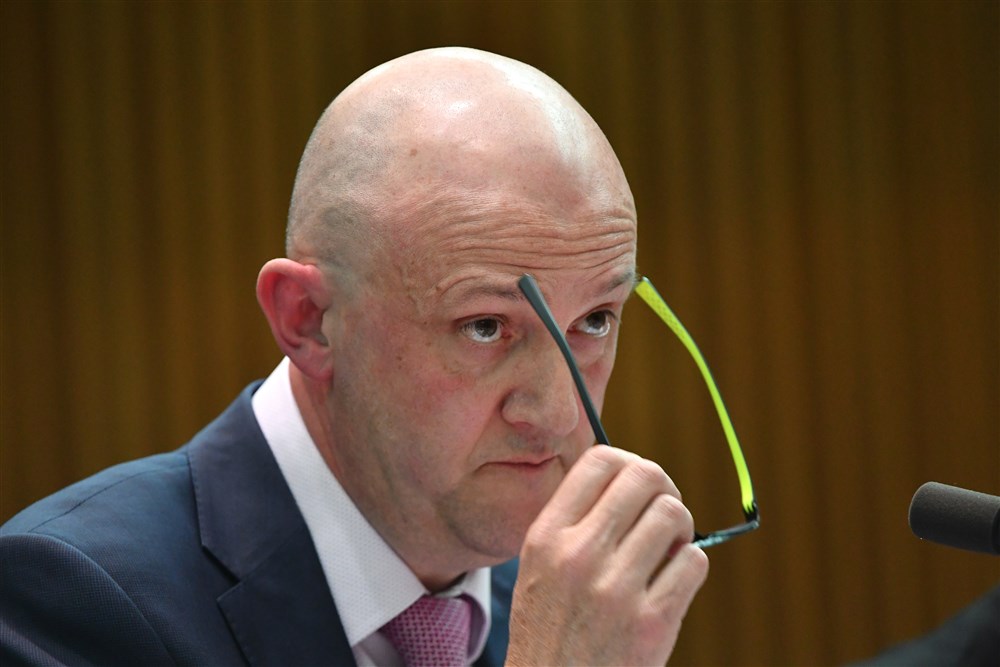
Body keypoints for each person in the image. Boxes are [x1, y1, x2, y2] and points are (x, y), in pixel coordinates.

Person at [1, 47, 708, 666]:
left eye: (594, 319)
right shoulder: (72, 601)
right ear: (308, 321)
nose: (556, 414)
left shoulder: (571, 598)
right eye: (485, 326)